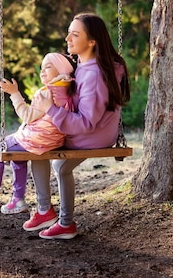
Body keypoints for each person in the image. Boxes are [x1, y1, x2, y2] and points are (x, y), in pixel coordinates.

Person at [23, 12, 130, 240]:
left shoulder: (94, 75)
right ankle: (46, 212)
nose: (67, 39)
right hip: (84, 128)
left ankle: (64, 222)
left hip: (93, 134)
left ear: (92, 42)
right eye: (68, 33)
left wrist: (51, 109)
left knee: (57, 164)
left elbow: (87, 122)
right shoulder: (83, 64)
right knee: (36, 147)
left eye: (74, 34)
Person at [0, 52, 76, 215]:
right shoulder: (69, 91)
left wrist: (14, 93)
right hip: (54, 140)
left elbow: (27, 116)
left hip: (36, 138)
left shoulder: (45, 92)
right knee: (18, 157)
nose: (42, 71)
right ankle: (17, 199)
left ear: (62, 69)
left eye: (48, 67)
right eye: (41, 68)